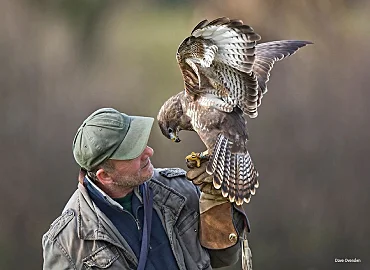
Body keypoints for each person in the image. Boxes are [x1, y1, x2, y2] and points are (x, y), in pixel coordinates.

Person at [42, 107, 251, 270]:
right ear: (104, 175)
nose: (149, 151)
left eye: (142, 143)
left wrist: (218, 202)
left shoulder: (178, 189)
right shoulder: (66, 243)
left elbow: (224, 257)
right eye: (133, 153)